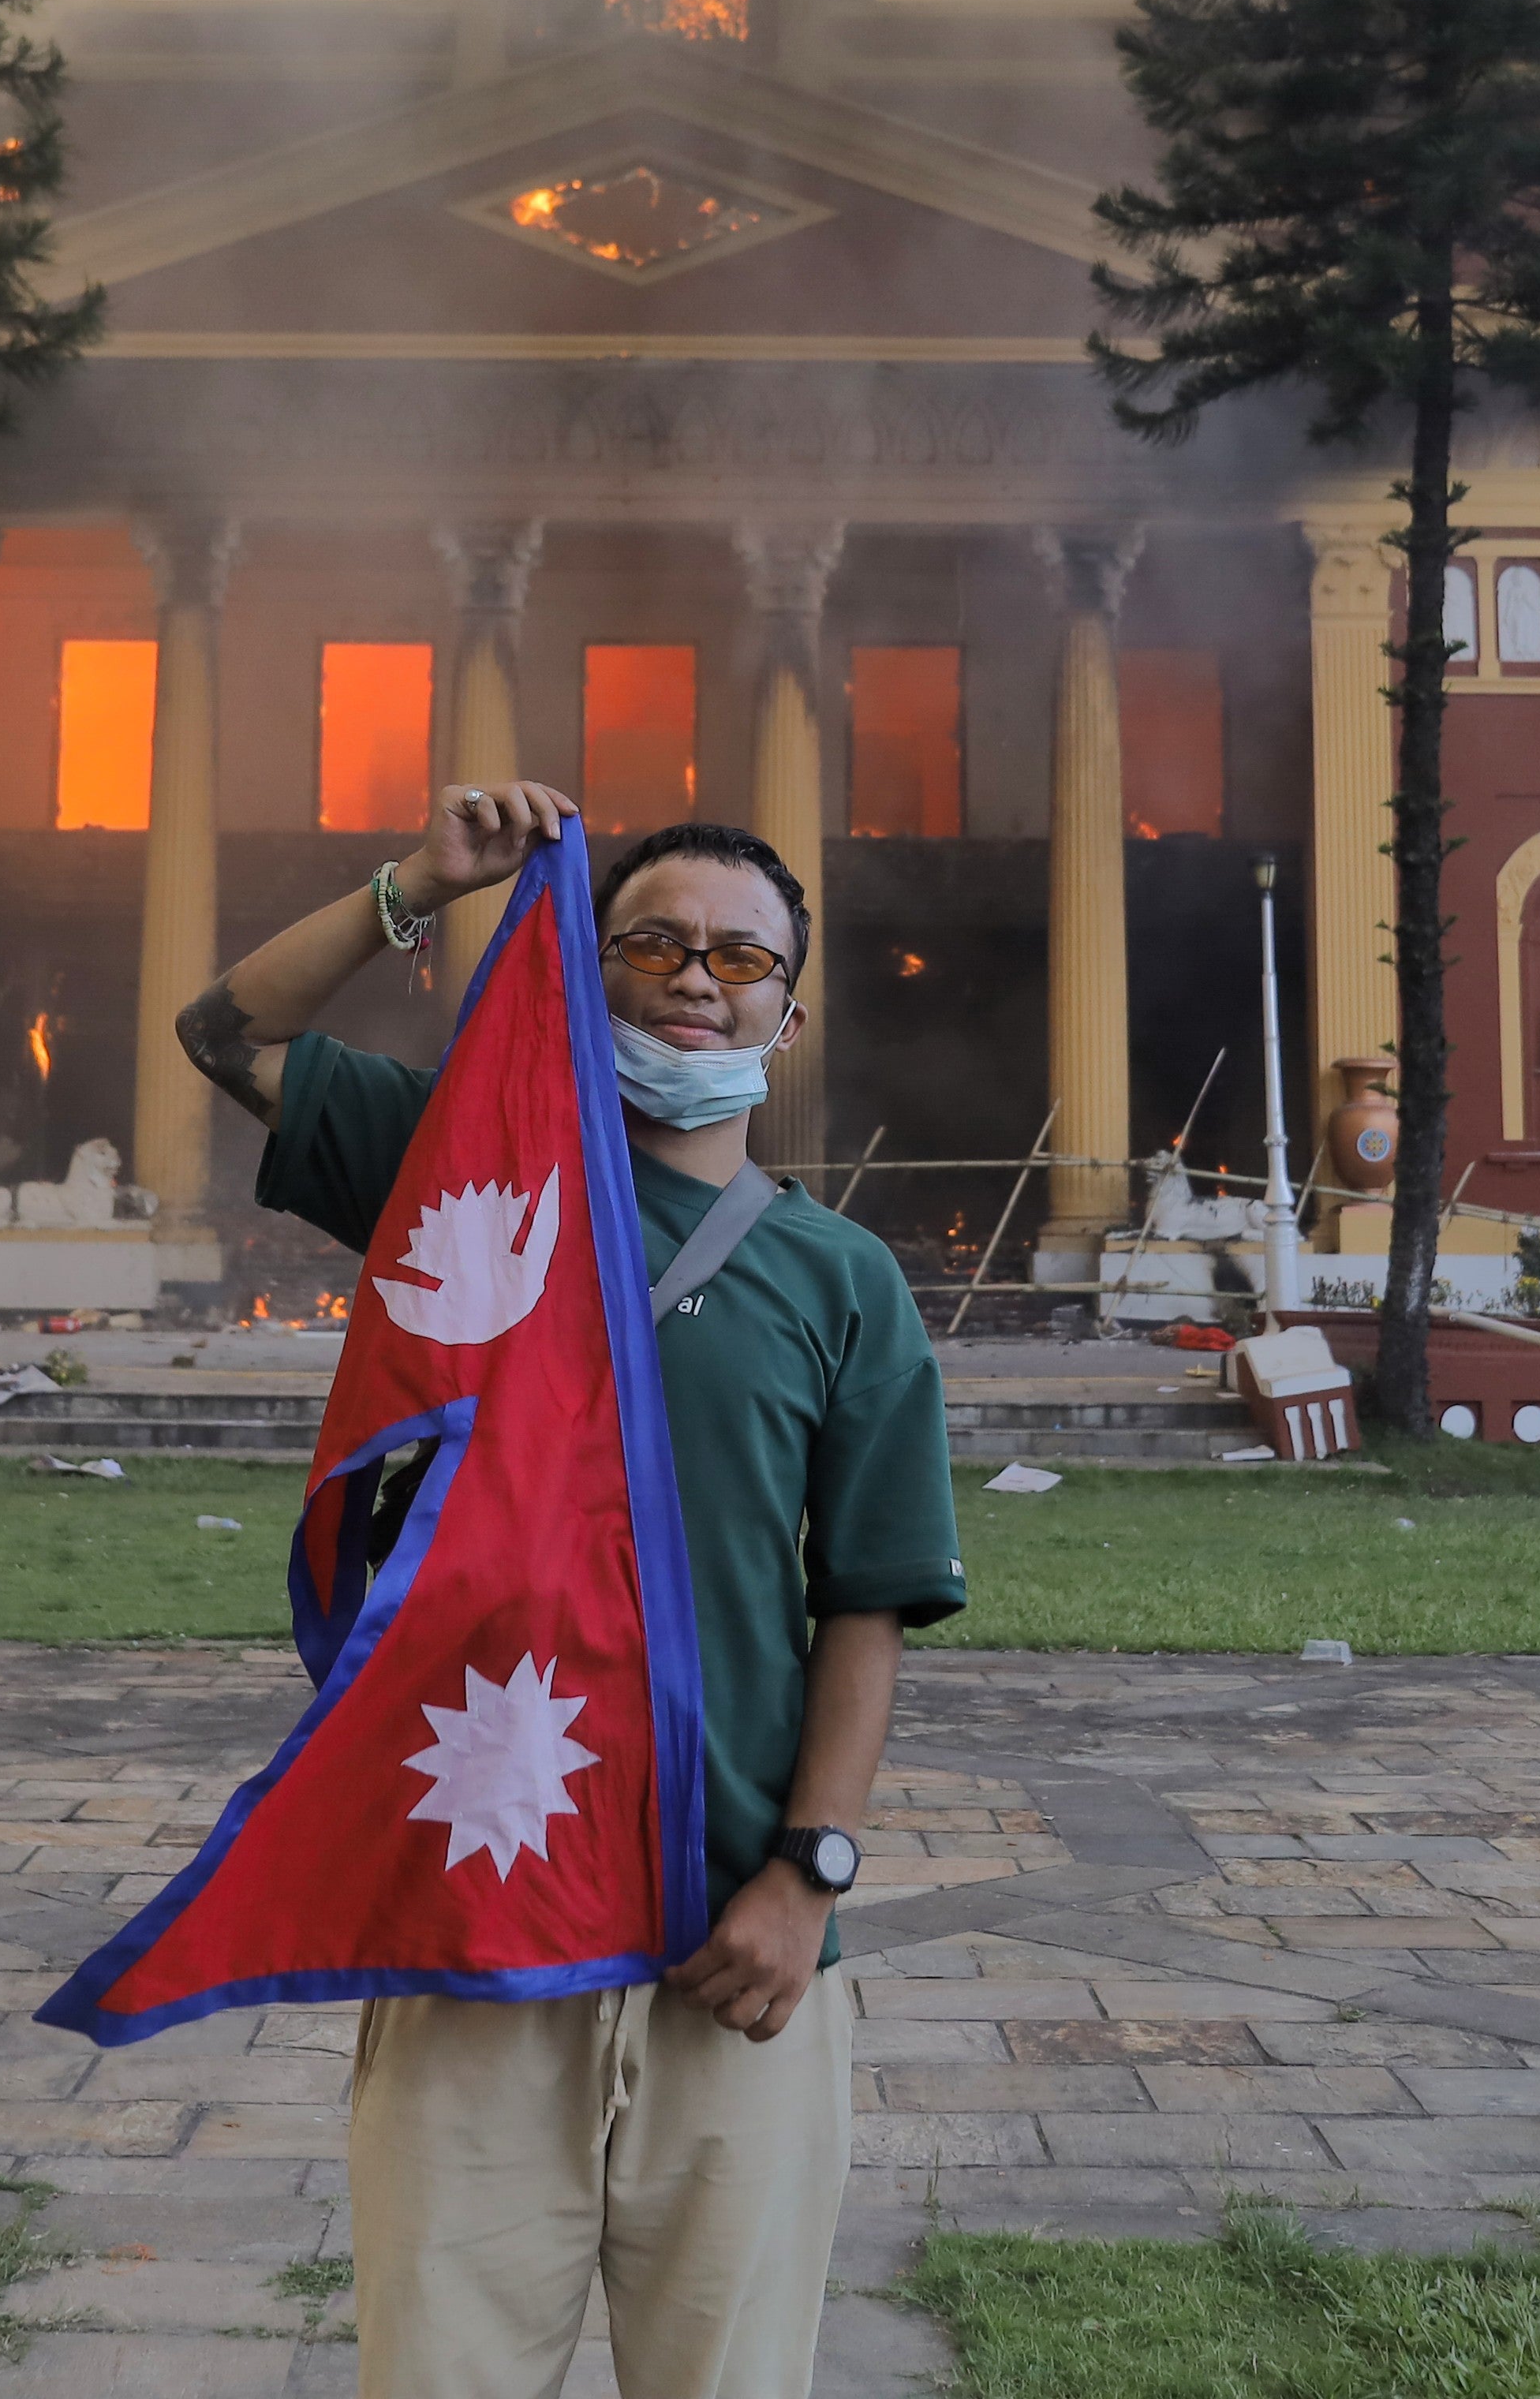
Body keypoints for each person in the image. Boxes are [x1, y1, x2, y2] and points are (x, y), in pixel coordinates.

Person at [178, 780, 962, 2399]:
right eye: (655, 940)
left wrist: (808, 1876)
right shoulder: (459, 1168)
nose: (697, 976)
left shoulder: (840, 1280)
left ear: (788, 1011)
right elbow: (224, 1031)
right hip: (477, 1909)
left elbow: (864, 1607)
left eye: (741, 958)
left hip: (725, 1941)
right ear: (588, 968)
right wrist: (422, 881)